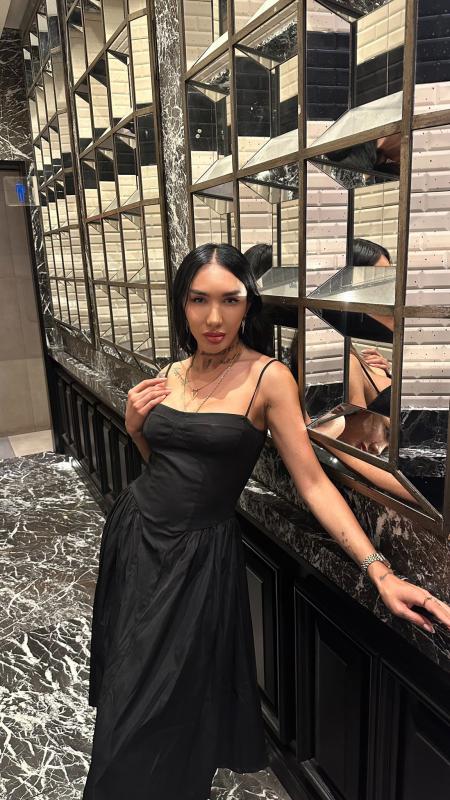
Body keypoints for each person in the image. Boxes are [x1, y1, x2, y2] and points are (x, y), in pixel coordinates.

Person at [83, 243, 450, 800]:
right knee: (122, 697)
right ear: (182, 304)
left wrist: (380, 571)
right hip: (135, 539)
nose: (213, 318)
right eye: (199, 300)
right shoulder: (173, 372)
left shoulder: (268, 377)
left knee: (160, 711)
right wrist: (136, 427)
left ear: (247, 304)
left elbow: (313, 482)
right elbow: (165, 465)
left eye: (229, 300)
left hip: (196, 562)